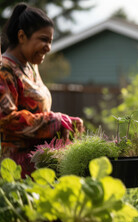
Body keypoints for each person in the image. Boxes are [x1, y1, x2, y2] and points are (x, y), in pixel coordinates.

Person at [0, 3, 84, 177]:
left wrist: (66, 121)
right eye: (43, 39)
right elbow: (6, 120)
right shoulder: (4, 70)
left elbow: (39, 113)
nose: (49, 47)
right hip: (12, 173)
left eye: (51, 41)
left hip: (38, 167)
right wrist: (55, 121)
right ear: (22, 36)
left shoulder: (30, 68)